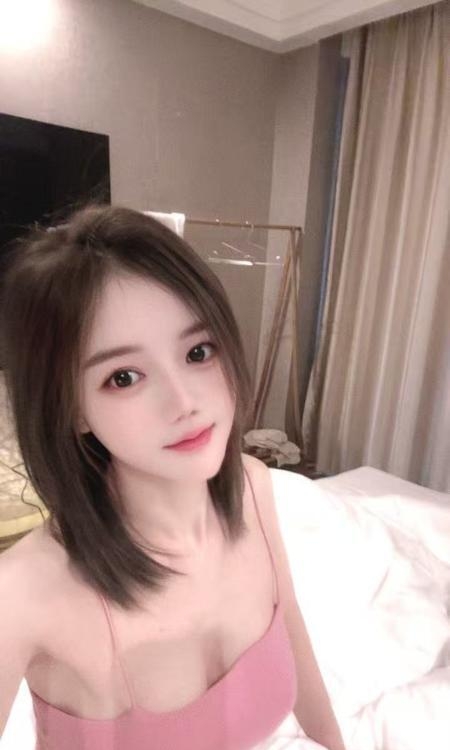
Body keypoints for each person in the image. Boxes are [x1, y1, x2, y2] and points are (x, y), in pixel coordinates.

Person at [0, 205, 346, 749]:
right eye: (124, 377)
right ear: (72, 408)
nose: (184, 401)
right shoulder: (25, 593)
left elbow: (295, 637)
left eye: (198, 351)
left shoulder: (253, 488)